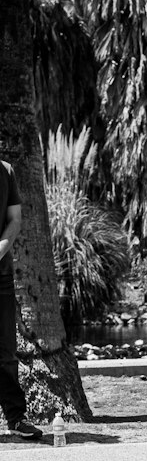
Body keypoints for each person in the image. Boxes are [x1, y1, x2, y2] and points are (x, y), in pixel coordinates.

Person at [0, 159, 43, 442]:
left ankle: (16, 418)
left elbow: (14, 220)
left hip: (0, 276)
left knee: (5, 352)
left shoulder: (6, 171)